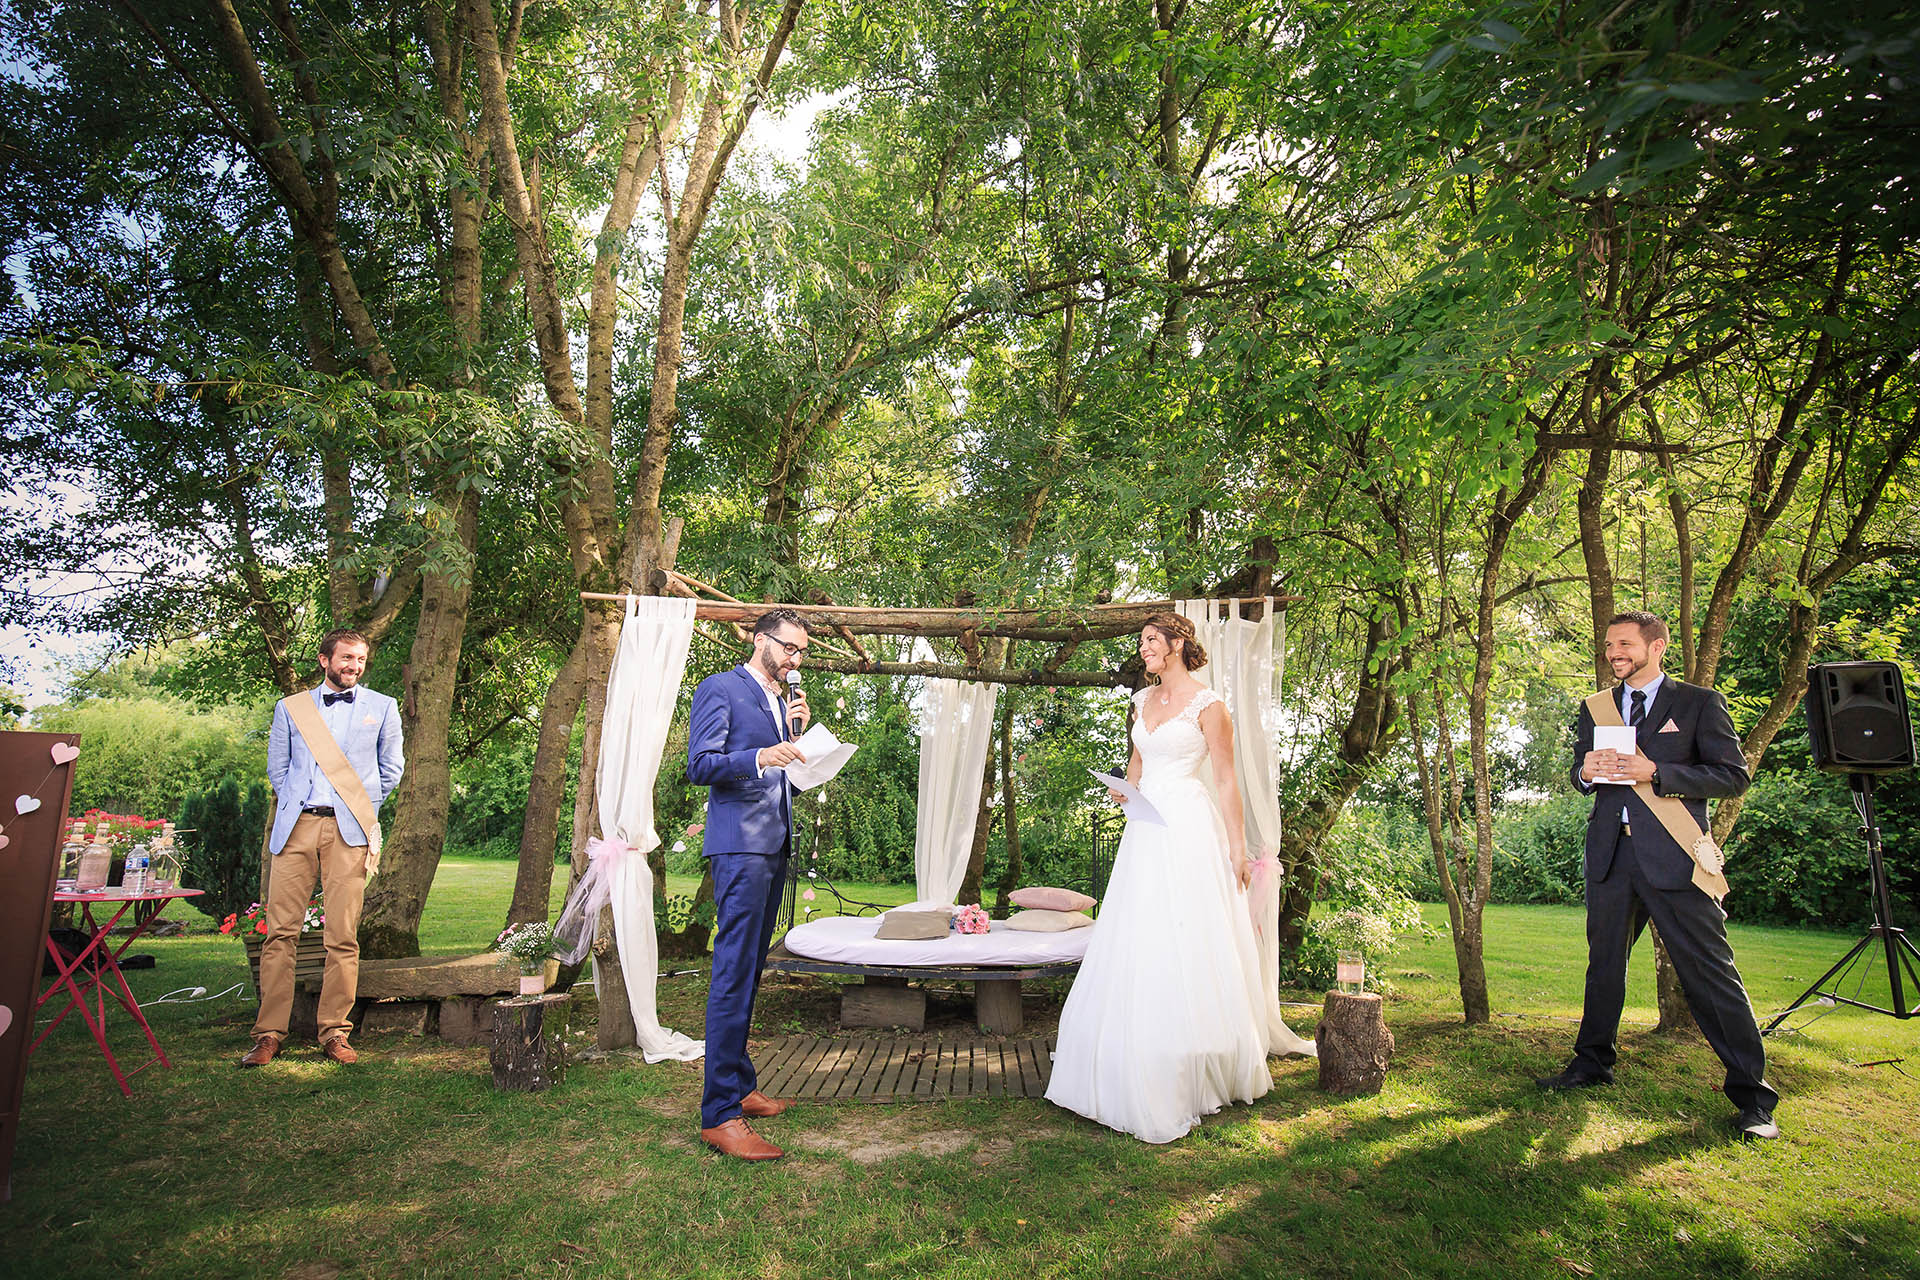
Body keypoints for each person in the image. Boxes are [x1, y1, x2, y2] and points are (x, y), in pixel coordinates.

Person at [1045, 612, 1313, 1143]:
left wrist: (1237, 849)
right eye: (1142, 641)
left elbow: (1227, 781)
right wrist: (1123, 791)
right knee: (1139, 930)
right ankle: (1131, 1046)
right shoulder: (1141, 701)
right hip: (1145, 828)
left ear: (1176, 644)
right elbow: (1137, 764)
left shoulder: (1210, 706)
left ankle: (1194, 1053)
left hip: (1189, 825)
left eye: (1150, 640)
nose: (1143, 648)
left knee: (1187, 931)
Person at [1537, 610, 1779, 1140]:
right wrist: (1584, 773)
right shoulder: (1596, 707)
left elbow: (1732, 776)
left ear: (1657, 647)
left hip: (1676, 857)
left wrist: (1658, 772)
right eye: (1609, 645)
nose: (1613, 653)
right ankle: (1591, 1064)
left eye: (1624, 644)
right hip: (1611, 856)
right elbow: (1580, 770)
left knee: (1710, 974)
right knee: (1604, 968)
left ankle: (1754, 1100)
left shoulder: (1698, 703)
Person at [242, 629, 404, 1068]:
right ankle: (268, 1034)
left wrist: (358, 806)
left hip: (349, 831)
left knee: (343, 936)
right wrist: (301, 803)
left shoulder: (383, 707)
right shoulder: (290, 708)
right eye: (347, 657)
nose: (355, 666)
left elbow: (391, 770)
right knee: (280, 933)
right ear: (324, 660)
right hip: (296, 828)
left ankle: (335, 1032)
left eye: (361, 659)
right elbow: (279, 769)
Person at [686, 609, 813, 1160]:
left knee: (750, 972)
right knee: (733, 974)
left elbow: (782, 779)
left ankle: (739, 1085)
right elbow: (701, 764)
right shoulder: (721, 688)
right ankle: (719, 1114)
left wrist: (797, 742)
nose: (795, 659)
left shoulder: (782, 703)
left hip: (772, 844)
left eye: (802, 651)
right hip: (739, 847)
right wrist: (761, 755)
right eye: (789, 648)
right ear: (761, 641)